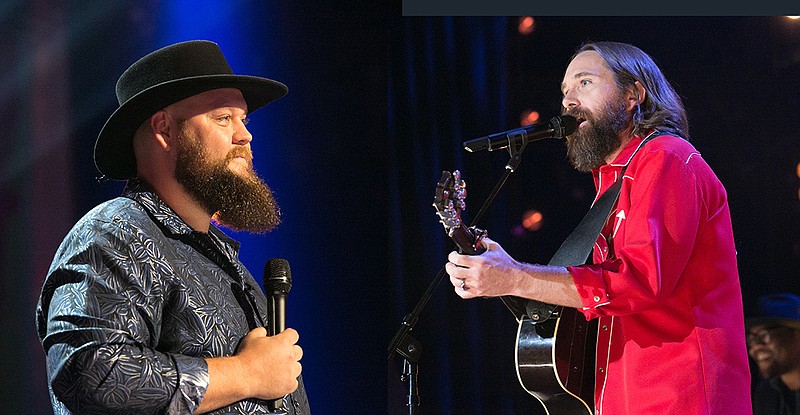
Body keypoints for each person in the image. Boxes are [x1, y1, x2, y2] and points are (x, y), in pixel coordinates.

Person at [445, 41, 752, 414]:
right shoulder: (611, 181)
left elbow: (639, 280)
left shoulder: (667, 159)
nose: (569, 101)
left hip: (680, 397)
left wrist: (514, 278)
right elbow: (604, 298)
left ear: (632, 94)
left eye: (584, 82)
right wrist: (505, 276)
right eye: (564, 91)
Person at [35, 40, 310, 414]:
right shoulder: (115, 232)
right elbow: (91, 374)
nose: (245, 135)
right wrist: (246, 372)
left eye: (243, 119)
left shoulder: (226, 265)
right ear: (163, 128)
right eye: (223, 118)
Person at [748, 293, 800, 415]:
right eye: (751, 339)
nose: (755, 347)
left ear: (797, 335)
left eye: (764, 335)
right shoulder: (766, 392)